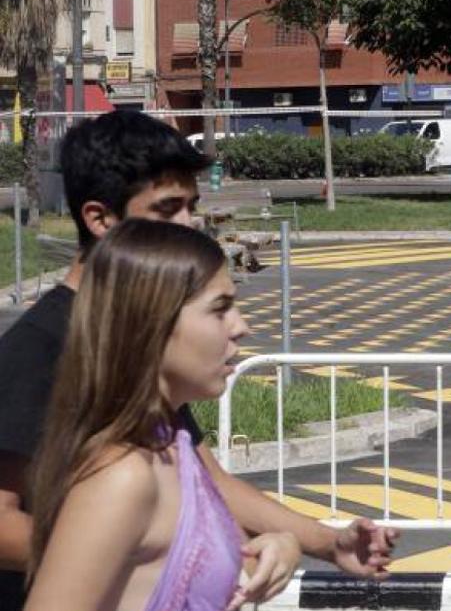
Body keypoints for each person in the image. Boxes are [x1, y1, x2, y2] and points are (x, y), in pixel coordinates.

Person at [0, 112, 396, 611]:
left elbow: (206, 483)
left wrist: (321, 541)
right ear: (100, 220)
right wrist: (126, 548)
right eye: (167, 209)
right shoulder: (38, 351)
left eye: (192, 206)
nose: (189, 223)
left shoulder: (152, 366)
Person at [24, 220, 281, 610]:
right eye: (220, 309)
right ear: (152, 325)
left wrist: (282, 546)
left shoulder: (172, 443)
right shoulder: (124, 477)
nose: (241, 327)